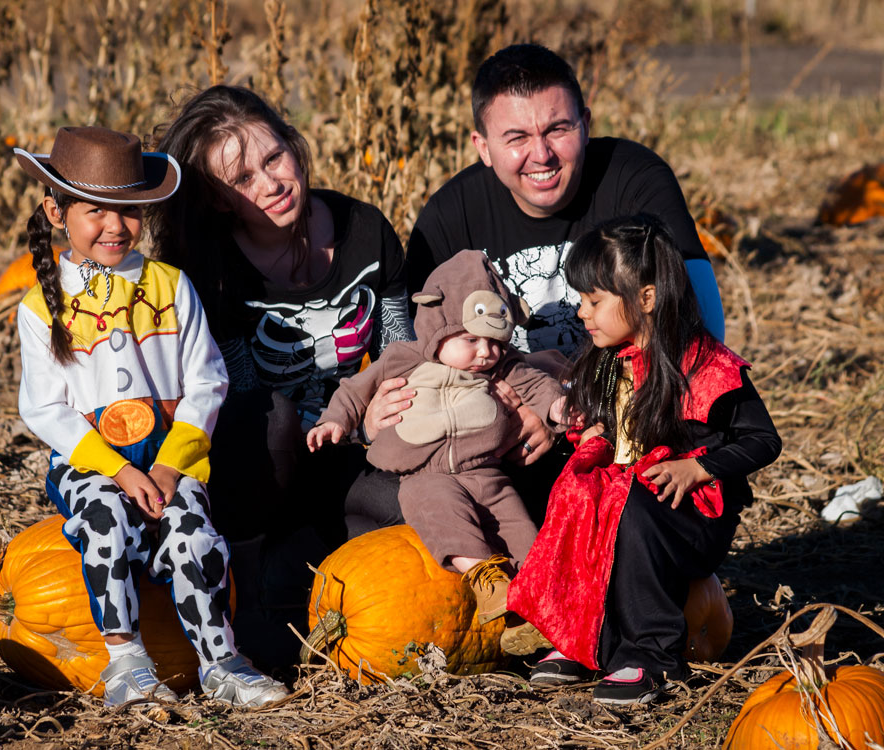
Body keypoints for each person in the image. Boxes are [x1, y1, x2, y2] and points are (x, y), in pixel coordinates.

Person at [367, 43, 727, 516]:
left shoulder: (635, 180)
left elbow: (695, 327)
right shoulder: (449, 219)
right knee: (386, 501)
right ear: (483, 148)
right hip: (500, 436)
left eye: (558, 129)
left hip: (624, 429)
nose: (541, 154)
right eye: (515, 137)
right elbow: (428, 354)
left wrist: (569, 414)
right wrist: (379, 411)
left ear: (586, 124)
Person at [14, 126, 288, 708]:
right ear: (55, 212)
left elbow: (209, 380)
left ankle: (221, 662)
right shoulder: (40, 307)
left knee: (194, 532)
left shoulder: (171, 286)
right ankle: (126, 660)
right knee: (106, 523)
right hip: (91, 464)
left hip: (170, 455)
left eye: (130, 211)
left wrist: (170, 466)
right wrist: (116, 471)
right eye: (96, 212)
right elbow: (43, 407)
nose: (116, 227)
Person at [503, 214, 781, 705]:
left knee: (630, 511)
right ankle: (581, 641)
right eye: (581, 300)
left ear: (646, 299)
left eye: (594, 301)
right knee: (577, 495)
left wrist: (698, 467)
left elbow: (762, 440)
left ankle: (651, 654)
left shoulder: (703, 366)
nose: (582, 312)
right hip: (630, 495)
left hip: (691, 513)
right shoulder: (609, 362)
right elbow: (615, 428)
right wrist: (595, 434)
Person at [147, 85, 414, 547]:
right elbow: (244, 400)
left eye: (274, 159)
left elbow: (400, 354)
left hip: (359, 448)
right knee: (273, 418)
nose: (270, 184)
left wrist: (371, 424)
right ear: (217, 199)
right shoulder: (213, 274)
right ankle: (259, 560)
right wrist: (356, 430)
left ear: (292, 144)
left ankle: (311, 546)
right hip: (264, 465)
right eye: (243, 179)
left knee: (405, 507)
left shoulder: (366, 232)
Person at [307, 250, 566, 619]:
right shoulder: (403, 358)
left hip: (487, 473)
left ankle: (538, 610)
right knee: (441, 515)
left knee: (521, 530)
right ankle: (485, 580)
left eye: (496, 343)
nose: (486, 353)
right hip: (426, 476)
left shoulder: (503, 366)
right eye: (472, 340)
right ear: (439, 325)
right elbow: (355, 389)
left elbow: (537, 384)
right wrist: (335, 421)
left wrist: (556, 409)